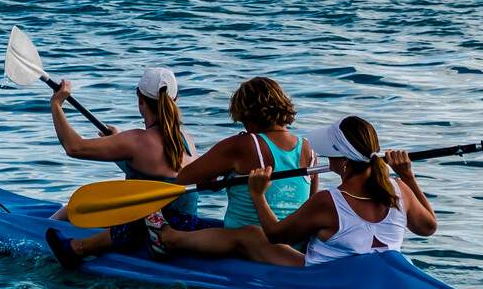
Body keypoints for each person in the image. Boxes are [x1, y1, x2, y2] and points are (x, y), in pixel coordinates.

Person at [148, 76, 317, 265]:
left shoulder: (244, 144)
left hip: (251, 243)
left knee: (247, 233)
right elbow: (311, 203)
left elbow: (185, 178)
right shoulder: (308, 149)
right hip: (295, 244)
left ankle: (170, 237)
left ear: (246, 115)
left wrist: (211, 182)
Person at [44, 67, 203, 267]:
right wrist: (117, 140)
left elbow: (74, 147)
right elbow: (149, 169)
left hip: (152, 232)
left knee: (72, 209)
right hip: (185, 226)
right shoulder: (187, 140)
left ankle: (43, 237)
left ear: (140, 100)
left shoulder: (136, 141)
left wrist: (57, 104)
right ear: (175, 100)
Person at [247, 115, 438, 265]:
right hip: (374, 280)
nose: (328, 160)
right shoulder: (400, 189)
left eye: (330, 155)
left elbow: (275, 235)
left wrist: (258, 195)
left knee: (249, 236)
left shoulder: (328, 201)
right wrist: (408, 177)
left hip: (329, 282)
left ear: (344, 161)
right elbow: (428, 228)